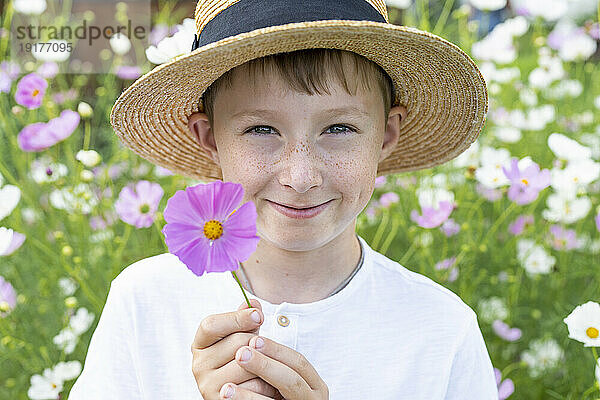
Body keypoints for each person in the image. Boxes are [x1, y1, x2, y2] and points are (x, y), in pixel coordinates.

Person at [70, 0, 497, 399]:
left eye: (339, 129)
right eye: (261, 130)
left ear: (386, 134)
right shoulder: (145, 301)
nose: (301, 176)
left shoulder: (442, 329)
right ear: (209, 139)